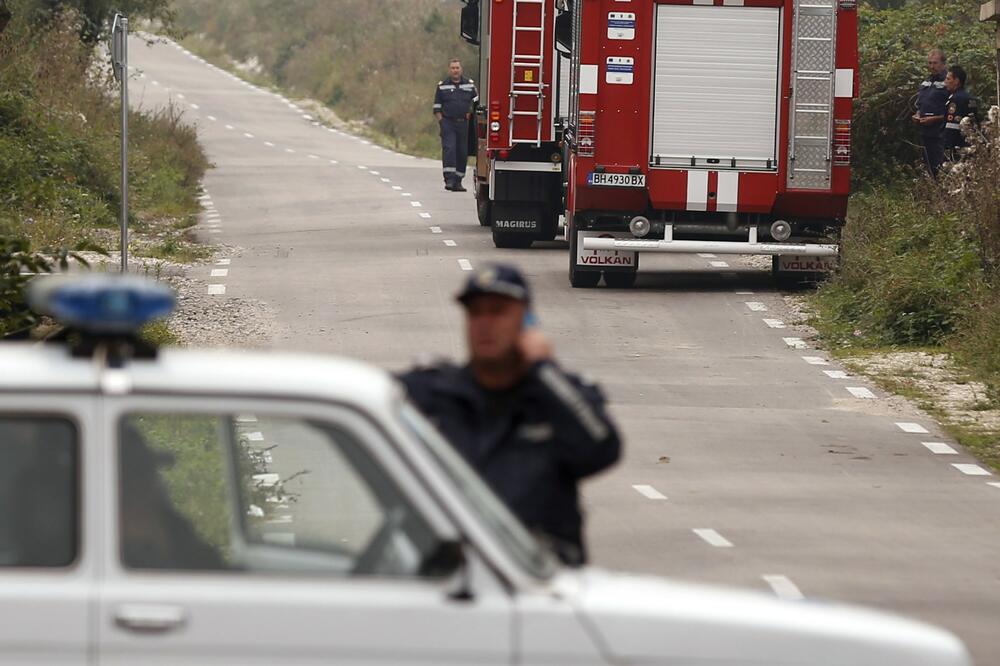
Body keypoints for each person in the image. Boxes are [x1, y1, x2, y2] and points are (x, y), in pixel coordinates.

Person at [399, 264, 621, 565]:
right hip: (455, 581)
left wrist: (543, 370)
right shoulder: (436, 394)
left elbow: (602, 448)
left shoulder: (556, 399)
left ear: (527, 321)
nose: (484, 323)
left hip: (537, 582)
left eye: (498, 311)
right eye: (476, 313)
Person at [432, 59, 478, 192]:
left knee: (462, 152)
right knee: (450, 149)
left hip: (463, 123)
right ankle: (449, 180)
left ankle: (458, 181)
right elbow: (436, 107)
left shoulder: (469, 85)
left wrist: (471, 115)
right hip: (448, 123)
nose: (455, 70)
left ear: (461, 69)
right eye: (453, 68)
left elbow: (476, 102)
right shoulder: (442, 86)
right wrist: (442, 122)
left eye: (457, 68)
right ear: (449, 70)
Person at [911, 49, 950, 177]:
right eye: (930, 63)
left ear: (943, 64)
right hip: (925, 132)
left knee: (941, 167)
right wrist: (917, 114)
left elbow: (953, 109)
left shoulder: (949, 82)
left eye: (935, 63)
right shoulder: (926, 82)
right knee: (929, 167)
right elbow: (920, 104)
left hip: (940, 133)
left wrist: (936, 118)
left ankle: (943, 194)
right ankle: (932, 194)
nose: (932, 66)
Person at [942, 65, 978, 159]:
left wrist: (947, 146)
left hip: (957, 146)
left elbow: (951, 125)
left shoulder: (956, 99)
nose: (945, 82)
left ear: (956, 81)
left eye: (948, 79)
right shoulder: (970, 98)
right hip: (971, 144)